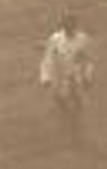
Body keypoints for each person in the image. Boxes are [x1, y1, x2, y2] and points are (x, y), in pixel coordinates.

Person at [40, 12, 96, 148]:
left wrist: (88, 76)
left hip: (75, 75)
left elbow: (88, 59)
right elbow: (47, 58)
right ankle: (66, 128)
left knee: (78, 102)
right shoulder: (55, 39)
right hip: (59, 75)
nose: (69, 27)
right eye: (66, 25)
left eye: (72, 24)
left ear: (75, 25)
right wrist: (45, 77)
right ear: (63, 26)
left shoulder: (82, 39)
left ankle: (77, 129)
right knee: (60, 100)